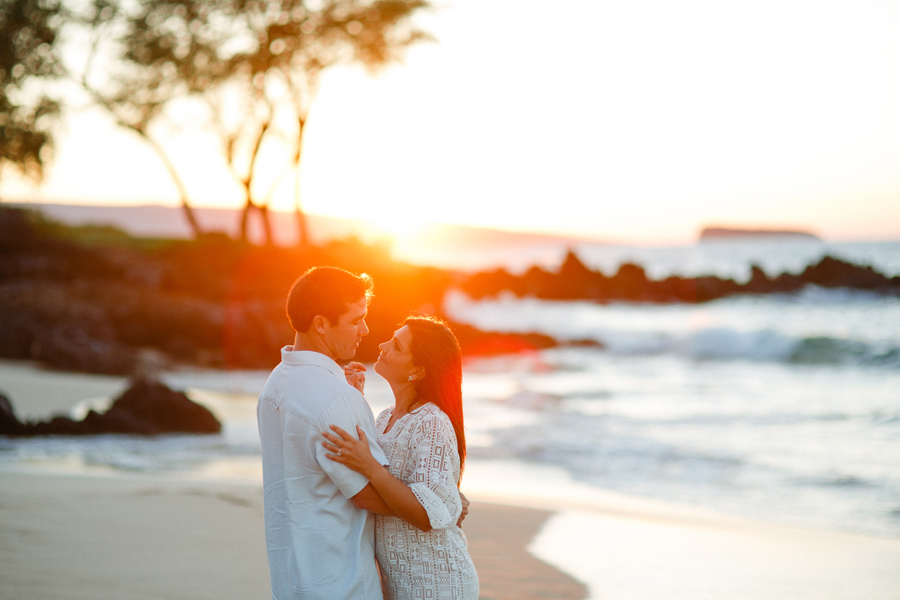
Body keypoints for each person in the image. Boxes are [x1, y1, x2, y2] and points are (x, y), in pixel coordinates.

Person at [257, 266, 392, 600]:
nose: (365, 329)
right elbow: (369, 494)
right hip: (341, 582)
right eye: (355, 319)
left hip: (291, 578)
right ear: (320, 323)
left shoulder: (276, 384)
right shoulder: (336, 399)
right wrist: (437, 505)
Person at [322, 315, 480, 600]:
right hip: (402, 582)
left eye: (396, 346)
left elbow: (424, 516)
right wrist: (353, 397)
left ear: (418, 371)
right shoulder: (383, 419)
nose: (382, 345)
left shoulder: (432, 421)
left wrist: (371, 468)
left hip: (437, 581)